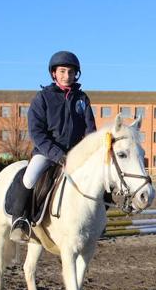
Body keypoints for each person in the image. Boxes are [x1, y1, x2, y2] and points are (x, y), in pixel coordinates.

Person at [8, 51, 96, 243]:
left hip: (75, 154)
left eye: (71, 72)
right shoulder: (43, 98)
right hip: (47, 152)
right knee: (30, 177)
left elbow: (91, 130)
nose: (67, 76)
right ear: (54, 73)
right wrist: (58, 155)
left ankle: (98, 220)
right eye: (62, 71)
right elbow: (37, 132)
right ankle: (20, 221)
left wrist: (88, 152)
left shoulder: (82, 99)